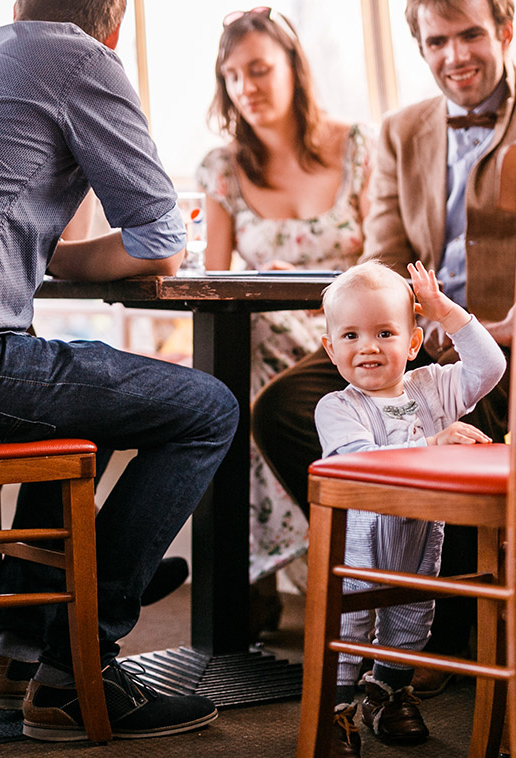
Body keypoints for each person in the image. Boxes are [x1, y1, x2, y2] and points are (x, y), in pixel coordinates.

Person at [0, 0, 239, 742]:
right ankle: (80, 670)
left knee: (90, 403)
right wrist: (67, 257)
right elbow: (162, 242)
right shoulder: (81, 59)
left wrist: (51, 258)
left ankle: (19, 656)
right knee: (210, 408)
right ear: (116, 16)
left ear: (18, 5)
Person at [251, 0, 516, 693]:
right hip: (416, 341)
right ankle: (412, 607)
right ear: (419, 47)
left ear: (505, 30)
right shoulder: (399, 130)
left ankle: (442, 626)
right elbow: (383, 253)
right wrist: (382, 330)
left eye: (471, 34)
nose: (456, 55)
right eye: (438, 40)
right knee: (287, 406)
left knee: (457, 428)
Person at [196, 7, 374, 632]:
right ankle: (276, 560)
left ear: (294, 69)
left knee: (243, 365)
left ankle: (255, 568)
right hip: (268, 332)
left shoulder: (357, 148)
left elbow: (386, 258)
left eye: (261, 70)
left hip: (354, 337)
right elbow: (211, 282)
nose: (248, 87)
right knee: (237, 353)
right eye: (234, 76)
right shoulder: (225, 169)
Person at [315, 261, 504, 758]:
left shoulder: (432, 389)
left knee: (411, 618)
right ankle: (333, 711)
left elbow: (490, 368)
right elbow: (360, 459)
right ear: (331, 349)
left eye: (384, 333)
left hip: (419, 539)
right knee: (350, 623)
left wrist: (450, 314)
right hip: (355, 550)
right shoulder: (338, 407)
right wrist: (432, 443)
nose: (368, 347)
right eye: (351, 335)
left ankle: (387, 692)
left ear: (414, 342)